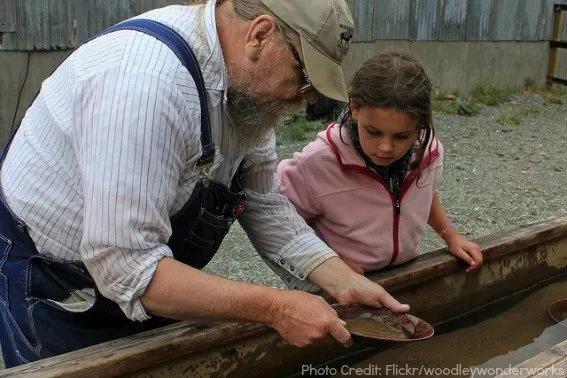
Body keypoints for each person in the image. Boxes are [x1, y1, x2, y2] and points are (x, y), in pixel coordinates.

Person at [0, 0, 410, 368]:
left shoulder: (247, 94)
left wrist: (341, 278)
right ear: (261, 34)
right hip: (56, 279)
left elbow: (265, 205)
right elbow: (127, 267)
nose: (306, 99)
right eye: (303, 77)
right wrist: (276, 307)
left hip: (141, 269)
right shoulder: (145, 86)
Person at [278, 51, 483, 279]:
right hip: (340, 284)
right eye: (373, 132)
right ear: (355, 108)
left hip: (405, 274)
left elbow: (425, 193)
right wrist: (325, 260)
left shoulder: (428, 152)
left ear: (421, 124)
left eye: (401, 136)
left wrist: (450, 235)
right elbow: (281, 218)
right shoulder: (317, 163)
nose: (386, 147)